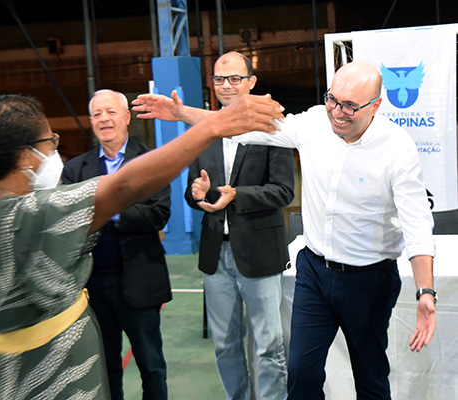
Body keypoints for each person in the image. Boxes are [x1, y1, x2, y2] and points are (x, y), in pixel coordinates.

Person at [0, 91, 284, 399]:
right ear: (24, 156)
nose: (54, 149)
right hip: (45, 382)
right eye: (50, 141)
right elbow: (123, 187)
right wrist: (214, 125)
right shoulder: (26, 216)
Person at [132, 61, 436, 400]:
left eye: (350, 105)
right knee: (301, 377)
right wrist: (182, 113)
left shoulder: (397, 147)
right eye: (333, 99)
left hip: (368, 281)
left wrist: (426, 291)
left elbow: (417, 222)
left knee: (370, 376)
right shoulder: (313, 123)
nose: (337, 112)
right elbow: (243, 130)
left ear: (375, 106)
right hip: (315, 273)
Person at [150, 51, 294, 400]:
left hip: (258, 253)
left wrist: (237, 195)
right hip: (216, 255)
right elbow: (192, 190)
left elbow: (283, 191)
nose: (226, 86)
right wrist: (197, 193)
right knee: (226, 345)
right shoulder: (205, 129)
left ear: (252, 82)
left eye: (234, 79)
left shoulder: (271, 125)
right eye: (219, 79)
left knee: (269, 346)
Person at [61, 89, 171, 400]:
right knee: (104, 367)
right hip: (92, 286)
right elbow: (69, 219)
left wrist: (109, 207)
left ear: (126, 117)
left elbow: (158, 214)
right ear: (91, 122)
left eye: (110, 112)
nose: (104, 119)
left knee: (151, 364)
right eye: (97, 114)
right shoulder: (75, 170)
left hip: (140, 281)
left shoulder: (151, 160)